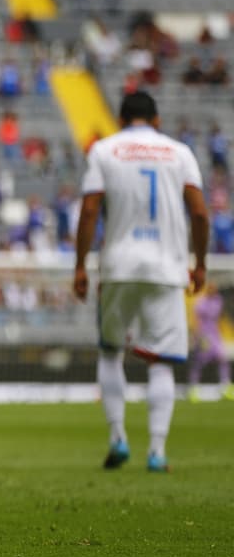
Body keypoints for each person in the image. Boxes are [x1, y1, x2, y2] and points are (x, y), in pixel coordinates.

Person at [73, 91, 208, 474]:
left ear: (121, 119)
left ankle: (118, 439)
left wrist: (80, 267)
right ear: (157, 119)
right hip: (167, 269)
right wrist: (199, 264)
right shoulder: (179, 153)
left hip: (118, 266)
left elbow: (89, 209)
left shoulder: (105, 150)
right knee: (162, 362)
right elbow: (199, 212)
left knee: (111, 352)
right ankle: (158, 451)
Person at [188, 285, 232, 401]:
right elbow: (196, 319)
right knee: (200, 362)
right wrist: (196, 334)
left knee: (222, 358)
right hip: (204, 335)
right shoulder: (201, 302)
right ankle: (193, 389)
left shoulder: (218, 300)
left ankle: (225, 386)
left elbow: (219, 317)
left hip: (215, 334)